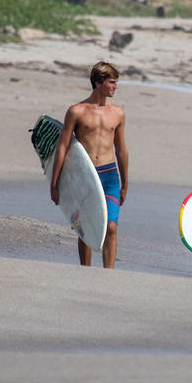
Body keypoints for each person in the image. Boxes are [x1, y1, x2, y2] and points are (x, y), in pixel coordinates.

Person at [51, 61, 129, 268]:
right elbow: (62, 148)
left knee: (111, 226)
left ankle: (108, 273)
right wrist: (55, 183)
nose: (116, 86)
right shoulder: (76, 111)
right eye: (112, 82)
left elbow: (121, 149)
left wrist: (125, 184)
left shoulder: (118, 113)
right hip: (84, 175)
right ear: (98, 82)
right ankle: (86, 271)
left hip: (109, 174)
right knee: (86, 225)